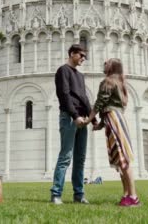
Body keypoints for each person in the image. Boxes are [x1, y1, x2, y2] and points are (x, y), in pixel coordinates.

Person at [85, 58, 141, 207]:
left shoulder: (107, 82)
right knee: (119, 159)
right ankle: (126, 195)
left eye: (107, 63)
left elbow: (100, 103)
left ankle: (133, 197)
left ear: (112, 67)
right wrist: (101, 124)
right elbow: (110, 106)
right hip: (116, 118)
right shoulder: (120, 83)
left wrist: (88, 119)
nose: (103, 63)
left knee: (122, 159)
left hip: (114, 119)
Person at [50, 44, 94, 205]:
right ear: (72, 54)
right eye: (81, 55)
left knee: (80, 159)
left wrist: (93, 119)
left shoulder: (80, 76)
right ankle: (56, 194)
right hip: (69, 118)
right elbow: (64, 95)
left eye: (85, 56)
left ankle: (79, 194)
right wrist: (74, 116)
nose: (83, 59)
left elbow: (84, 98)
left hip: (83, 119)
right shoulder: (63, 71)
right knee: (65, 157)